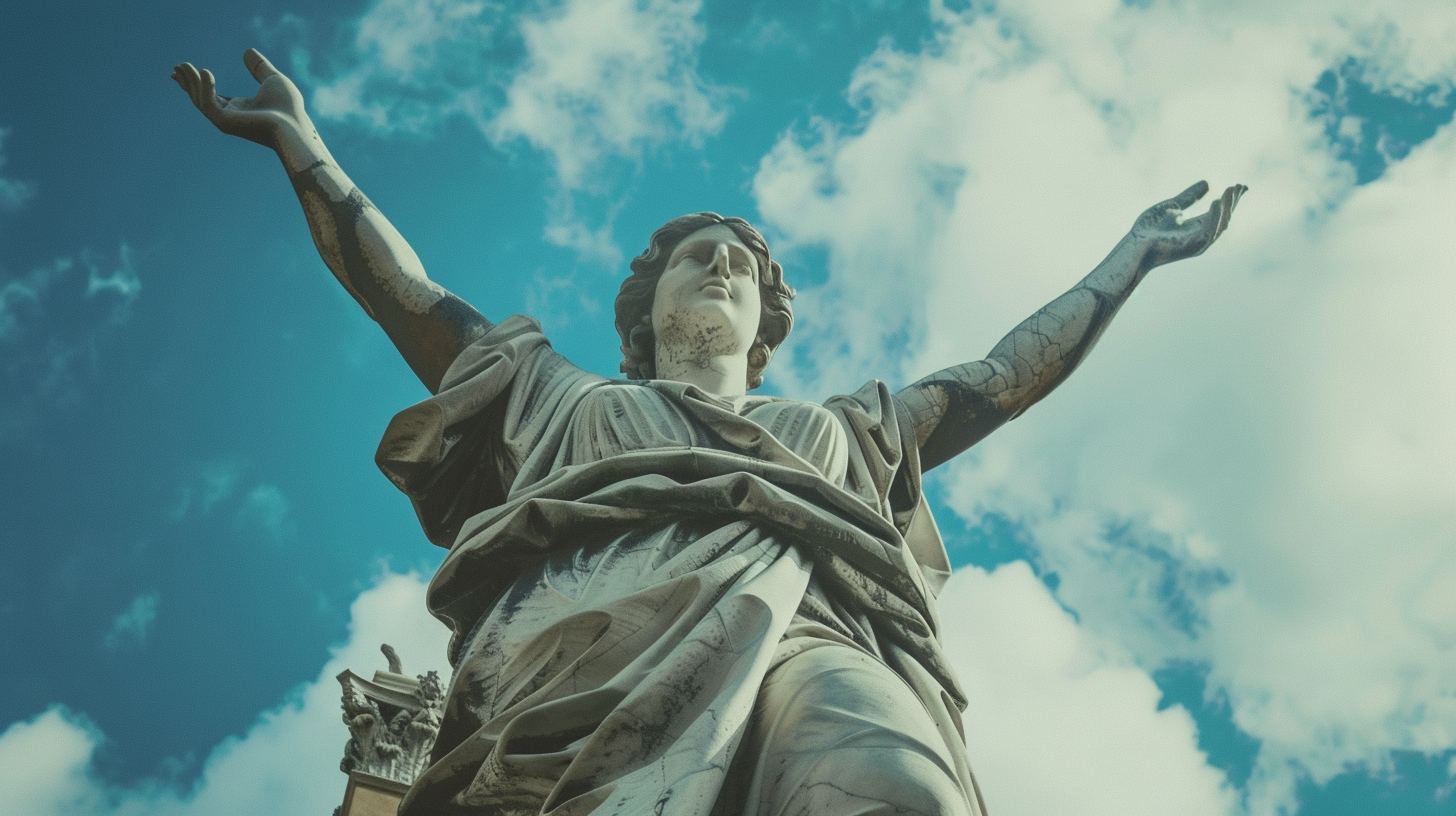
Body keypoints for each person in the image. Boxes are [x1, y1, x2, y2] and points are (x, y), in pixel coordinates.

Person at [174, 49, 1243, 816]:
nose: (721, 265)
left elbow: (997, 380)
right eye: (698, 255)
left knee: (894, 784)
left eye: (741, 261)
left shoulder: (842, 432)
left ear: (766, 319)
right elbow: (402, 292)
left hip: (807, 643)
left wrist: (1128, 260)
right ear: (644, 306)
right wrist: (299, 145)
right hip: (572, 667)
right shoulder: (551, 393)